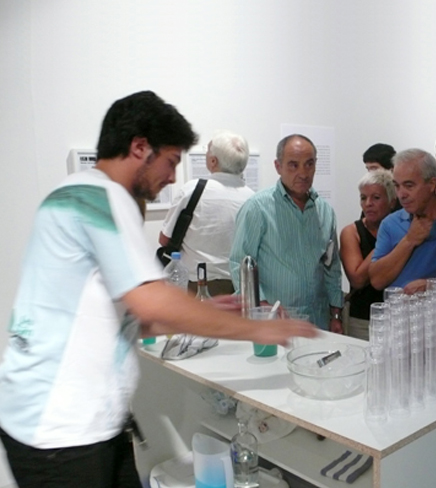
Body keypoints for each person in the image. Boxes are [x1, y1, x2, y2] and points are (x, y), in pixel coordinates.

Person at [0, 91, 316, 488]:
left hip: (74, 427)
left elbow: (133, 321)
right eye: (171, 162)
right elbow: (153, 306)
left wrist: (212, 313)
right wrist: (260, 328)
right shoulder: (101, 197)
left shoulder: (73, 194)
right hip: (62, 434)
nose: (172, 176)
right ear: (139, 148)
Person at [230, 134, 343, 332]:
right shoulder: (258, 208)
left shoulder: (325, 211)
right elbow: (239, 264)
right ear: (278, 166)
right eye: (293, 165)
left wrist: (335, 314)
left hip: (318, 321)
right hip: (276, 321)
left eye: (309, 164)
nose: (303, 173)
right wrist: (261, 306)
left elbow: (331, 267)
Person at [159, 131, 254, 295]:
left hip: (198, 286)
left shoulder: (192, 190)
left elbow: (164, 239)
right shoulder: (253, 198)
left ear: (213, 161)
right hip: (242, 287)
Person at [369, 149, 436, 294]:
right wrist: (409, 240)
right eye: (397, 186)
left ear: (432, 184)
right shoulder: (390, 223)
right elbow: (377, 280)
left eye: (409, 186)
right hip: (398, 313)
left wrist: (431, 286)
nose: (401, 194)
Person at [340, 170, 397, 340]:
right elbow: (357, 279)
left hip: (397, 317)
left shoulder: (403, 229)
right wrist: (385, 241)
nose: (368, 204)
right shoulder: (352, 232)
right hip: (362, 319)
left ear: (392, 202)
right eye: (363, 198)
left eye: (376, 198)